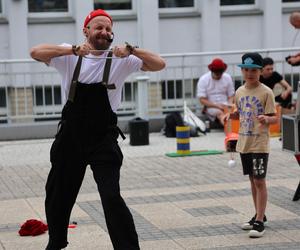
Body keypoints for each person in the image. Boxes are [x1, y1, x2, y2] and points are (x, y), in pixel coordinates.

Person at [30, 9, 165, 250]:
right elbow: (35, 52)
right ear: (86, 31)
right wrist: (71, 50)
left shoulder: (120, 59)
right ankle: (56, 241)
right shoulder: (70, 55)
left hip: (103, 138)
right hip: (71, 136)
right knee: (57, 193)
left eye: (108, 29)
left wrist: (132, 50)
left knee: (111, 196)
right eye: (98, 27)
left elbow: (159, 64)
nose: (104, 32)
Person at [227, 52, 277, 238]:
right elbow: (238, 113)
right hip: (244, 143)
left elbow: (275, 117)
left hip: (259, 144)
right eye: (246, 69)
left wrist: (267, 118)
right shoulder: (239, 91)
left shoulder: (266, 92)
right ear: (242, 71)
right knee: (251, 180)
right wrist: (231, 115)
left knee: (259, 180)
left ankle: (259, 221)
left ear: (260, 71)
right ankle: (259, 215)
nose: (250, 73)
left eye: (254, 70)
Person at [196, 58, 235, 126]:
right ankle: (228, 128)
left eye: (220, 72)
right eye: (216, 72)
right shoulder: (203, 79)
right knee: (220, 113)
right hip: (211, 106)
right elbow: (202, 100)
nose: (218, 74)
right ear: (212, 71)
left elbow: (231, 95)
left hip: (226, 104)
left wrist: (229, 105)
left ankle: (232, 127)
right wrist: (217, 106)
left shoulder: (227, 77)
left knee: (233, 112)